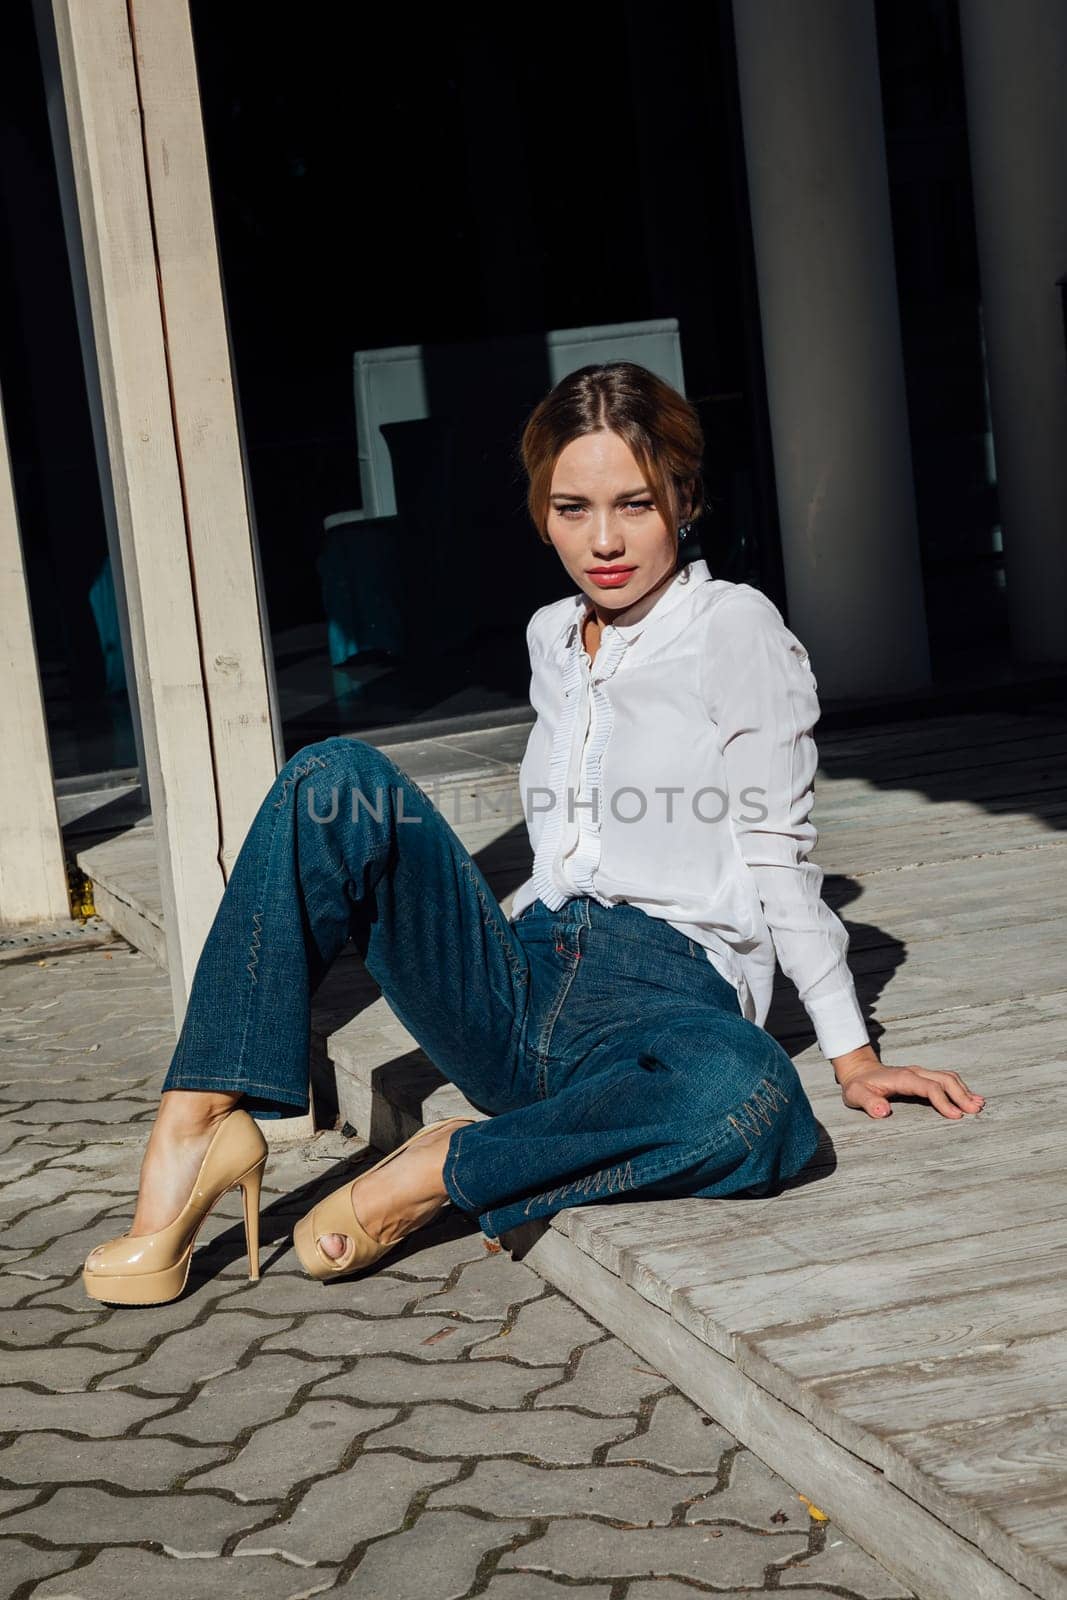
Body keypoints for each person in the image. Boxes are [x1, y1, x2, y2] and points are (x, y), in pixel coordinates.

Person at [83, 361, 985, 1306]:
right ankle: (193, 1125)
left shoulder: (733, 627)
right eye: (571, 508)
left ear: (684, 496)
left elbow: (776, 856)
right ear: (538, 510)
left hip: (665, 999)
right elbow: (562, 851)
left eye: (634, 505)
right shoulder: (550, 635)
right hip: (515, 981)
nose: (603, 541)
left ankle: (440, 1173)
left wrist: (852, 1055)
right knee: (334, 782)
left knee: (749, 1095)